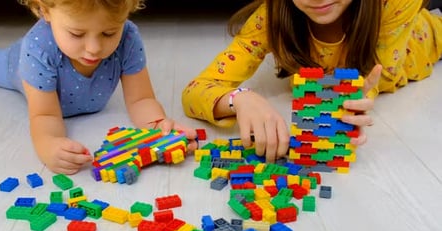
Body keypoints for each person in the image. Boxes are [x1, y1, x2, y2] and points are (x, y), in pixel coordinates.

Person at [0, 0, 198, 175]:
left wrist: (157, 126)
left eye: (109, 33)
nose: (94, 48)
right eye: (77, 34)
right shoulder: (38, 47)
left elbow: (141, 99)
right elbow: (44, 114)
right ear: (44, 11)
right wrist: (49, 143)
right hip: (15, 65)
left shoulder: (129, 37)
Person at [182, 0, 442, 163]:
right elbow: (194, 92)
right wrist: (238, 98)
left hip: (429, 34)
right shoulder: (269, 17)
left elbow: (379, 76)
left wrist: (352, 98)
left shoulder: (397, 4)